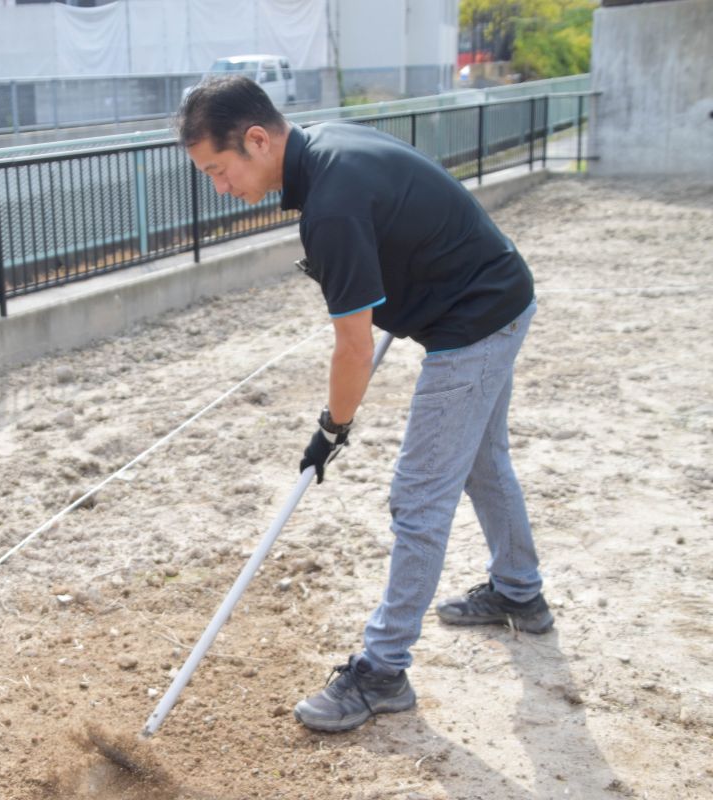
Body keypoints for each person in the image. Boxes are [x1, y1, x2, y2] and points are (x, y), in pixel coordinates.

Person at [177, 76, 553, 733]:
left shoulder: (331, 206)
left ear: (257, 140)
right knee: (482, 466)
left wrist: (332, 430)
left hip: (475, 322)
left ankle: (382, 673)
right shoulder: (327, 152)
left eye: (218, 168)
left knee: (418, 495)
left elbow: (353, 348)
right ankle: (521, 592)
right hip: (496, 295)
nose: (220, 187)